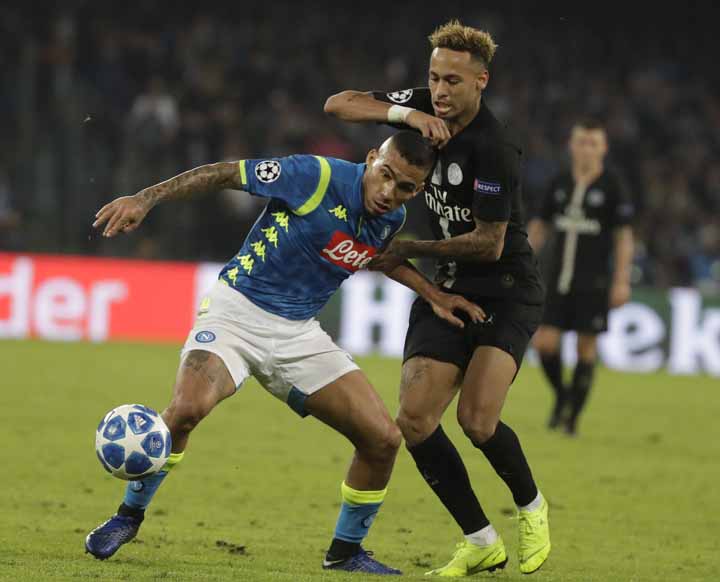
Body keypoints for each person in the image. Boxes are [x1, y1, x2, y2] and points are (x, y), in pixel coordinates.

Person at [85, 131, 485, 575]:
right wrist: (146, 198)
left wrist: (433, 294)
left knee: (383, 440)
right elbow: (224, 174)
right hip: (235, 314)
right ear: (372, 159)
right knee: (186, 409)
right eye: (385, 175)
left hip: (298, 335)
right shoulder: (315, 176)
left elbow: (382, 259)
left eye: (406, 187)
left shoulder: (390, 220)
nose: (389, 193)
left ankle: (345, 552)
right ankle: (127, 517)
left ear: (420, 189)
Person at [325, 19, 550, 576]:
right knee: (416, 420)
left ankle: (531, 506)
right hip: (445, 285)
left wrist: (406, 248)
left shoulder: (494, 150)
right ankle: (479, 540)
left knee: (477, 420)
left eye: (453, 80)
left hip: (505, 289)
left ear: (482, 81)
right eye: (433, 78)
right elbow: (339, 105)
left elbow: (490, 242)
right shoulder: (426, 107)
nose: (441, 90)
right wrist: (408, 113)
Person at [528, 118, 635, 435]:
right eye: (581, 142)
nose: (586, 148)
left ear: (603, 148)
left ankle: (572, 417)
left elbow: (623, 236)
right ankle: (562, 396)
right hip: (556, 277)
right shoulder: (559, 182)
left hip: (594, 281)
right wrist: (520, 259)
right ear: (571, 146)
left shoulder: (613, 186)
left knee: (585, 349)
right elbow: (540, 225)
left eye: (593, 143)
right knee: (545, 344)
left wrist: (621, 279)